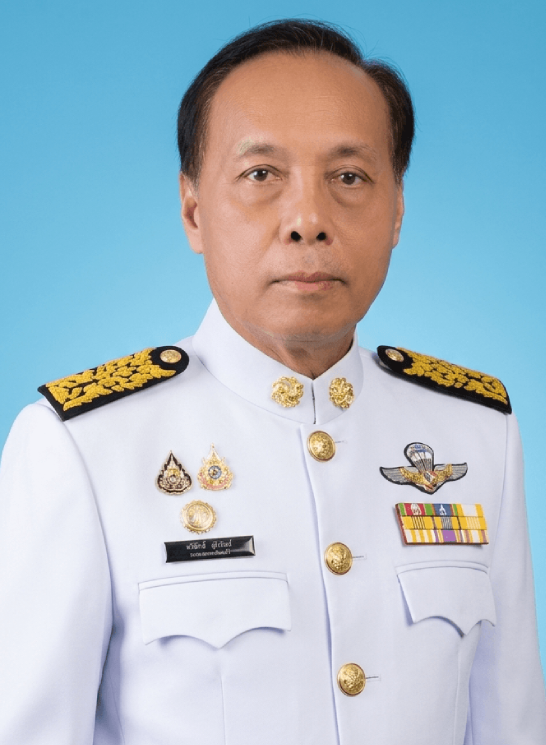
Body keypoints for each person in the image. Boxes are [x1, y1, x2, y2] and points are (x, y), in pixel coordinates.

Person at [0, 18, 544, 745]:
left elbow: (512, 725)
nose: (308, 220)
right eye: (261, 175)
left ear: (397, 211)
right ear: (194, 211)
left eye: (349, 177)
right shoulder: (82, 448)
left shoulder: (475, 433)